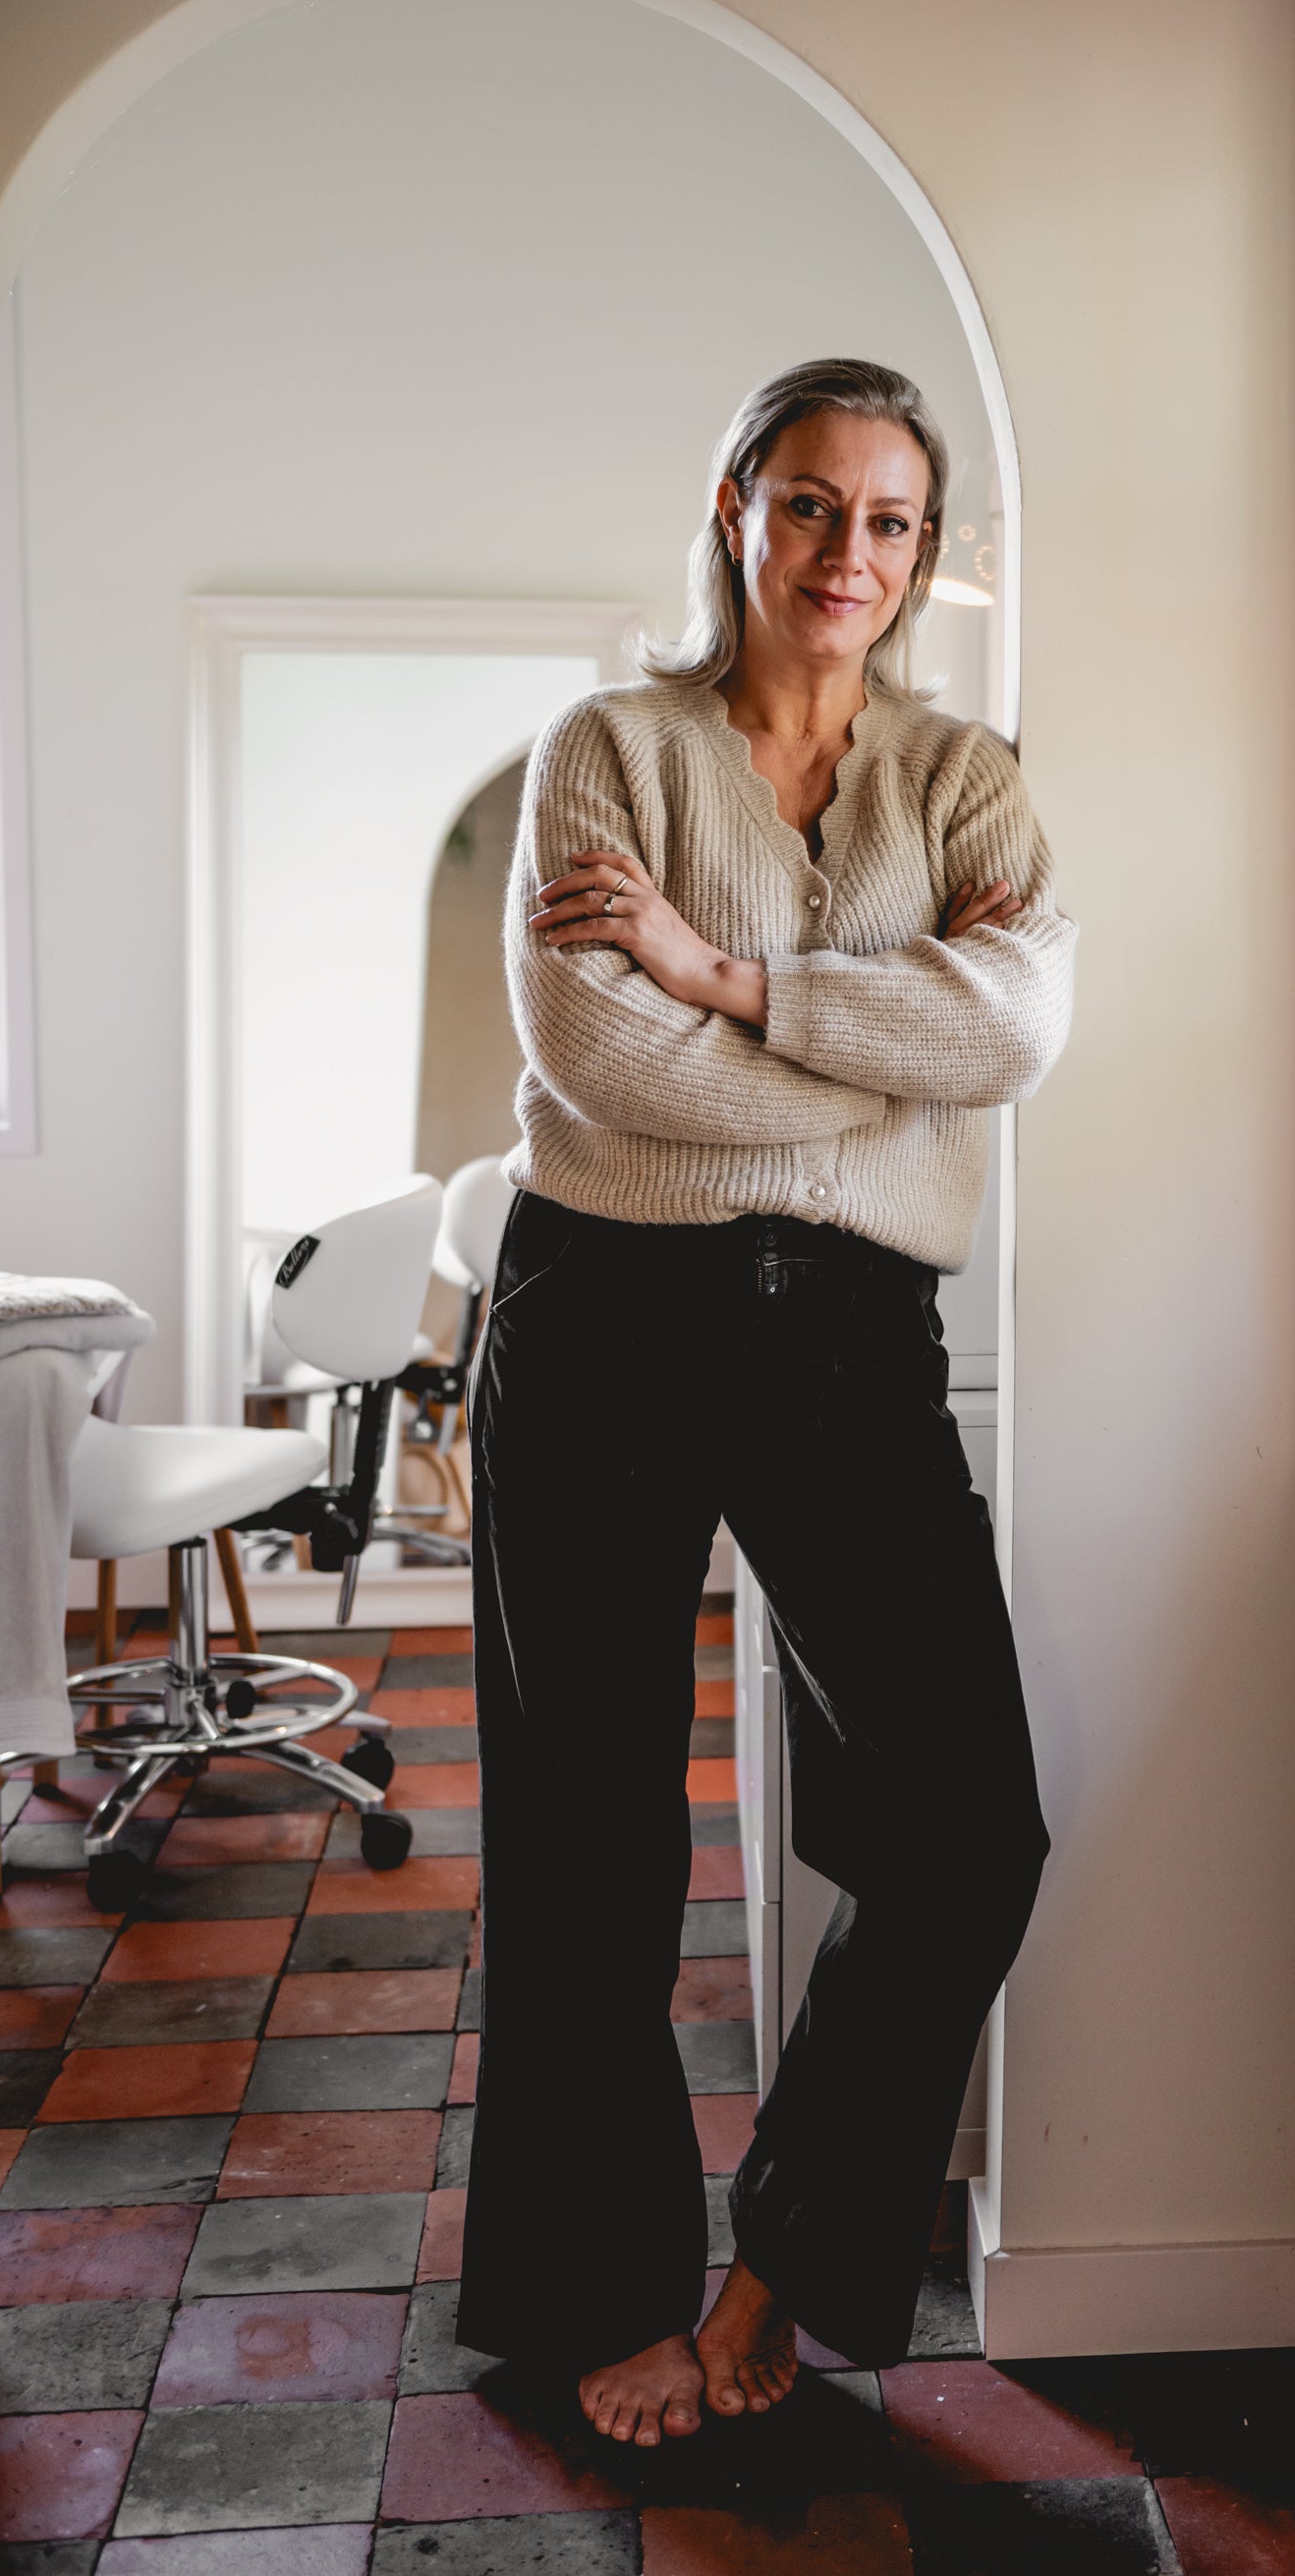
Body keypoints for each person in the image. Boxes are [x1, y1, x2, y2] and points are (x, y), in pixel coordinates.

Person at [455, 358, 1074, 2447]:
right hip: (602, 1308)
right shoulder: (606, 754)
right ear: (736, 510)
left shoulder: (967, 781)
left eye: (888, 522)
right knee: (588, 1837)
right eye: (809, 507)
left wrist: (726, 978)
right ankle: (594, 2297)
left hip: (848, 1342)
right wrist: (866, 1078)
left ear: (926, 554)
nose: (846, 555)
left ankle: (782, 2268)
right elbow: (595, 1059)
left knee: (969, 1826)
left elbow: (1012, 1030)